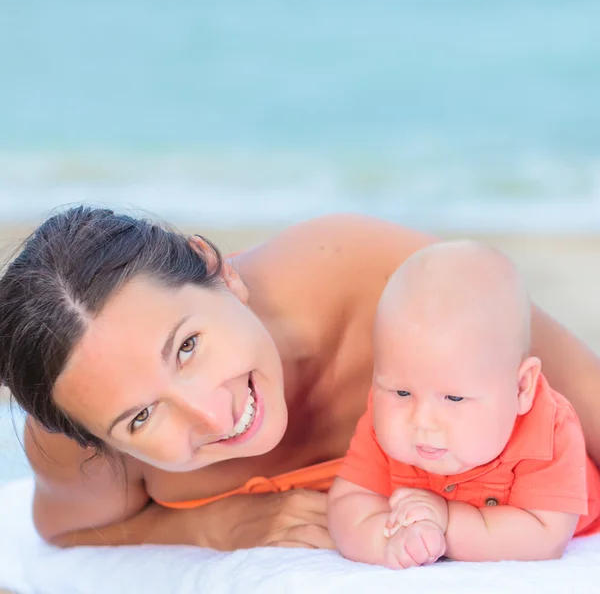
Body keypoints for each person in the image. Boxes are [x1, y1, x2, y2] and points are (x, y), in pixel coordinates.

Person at [1, 206, 600, 551]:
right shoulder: (75, 421)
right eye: (141, 417)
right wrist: (210, 525)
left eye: (187, 347)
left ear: (217, 270)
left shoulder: (383, 286)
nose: (213, 416)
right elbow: (68, 529)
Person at [328, 241, 600, 568]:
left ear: (521, 388)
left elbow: (544, 536)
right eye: (402, 393)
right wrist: (386, 540)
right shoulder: (381, 420)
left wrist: (446, 521)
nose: (423, 421)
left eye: (454, 398)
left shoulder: (549, 428)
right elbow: (347, 503)